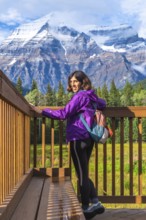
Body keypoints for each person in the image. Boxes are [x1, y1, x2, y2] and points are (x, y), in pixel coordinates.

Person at [31, 70, 106, 219]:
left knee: (81, 175)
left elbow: (63, 114)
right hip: (89, 139)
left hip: (77, 139)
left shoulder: (79, 97)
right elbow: (103, 104)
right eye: (71, 83)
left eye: (76, 82)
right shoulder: (91, 96)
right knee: (83, 172)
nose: (73, 85)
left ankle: (85, 208)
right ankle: (96, 203)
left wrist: (42, 111)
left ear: (82, 81)